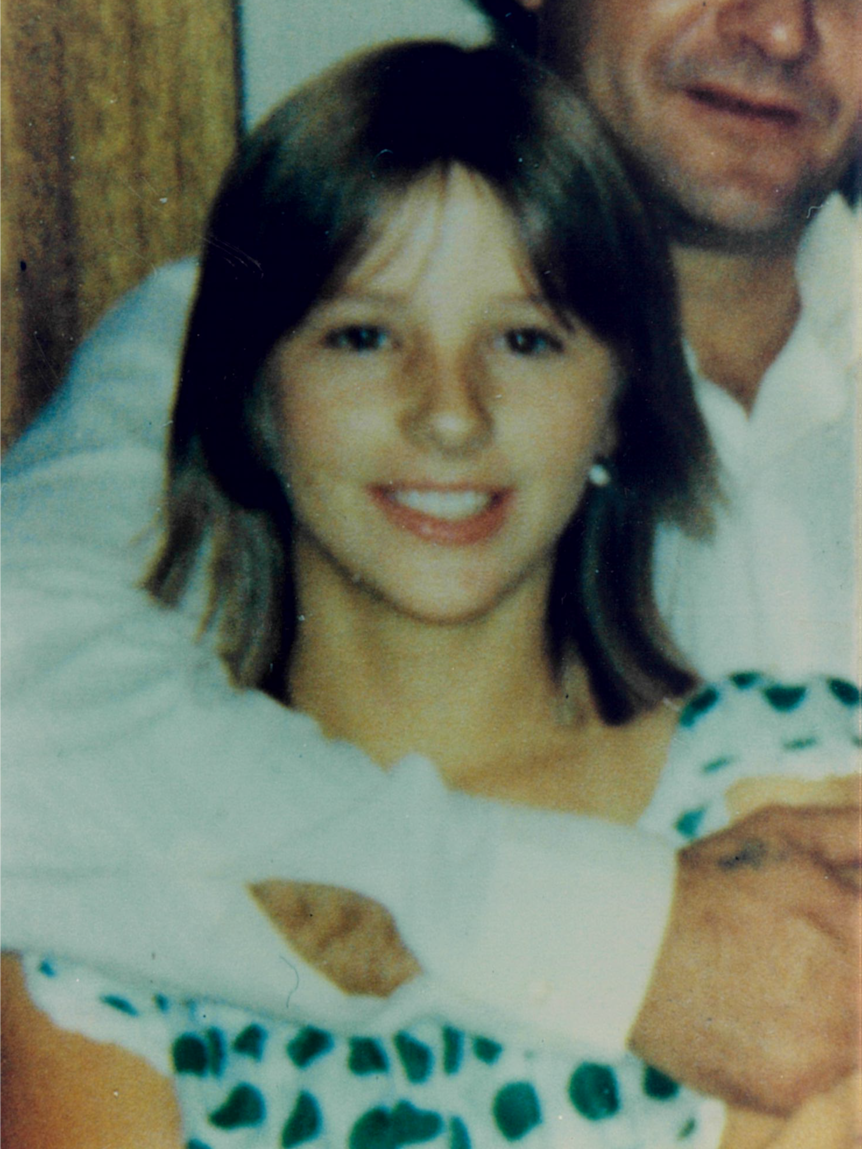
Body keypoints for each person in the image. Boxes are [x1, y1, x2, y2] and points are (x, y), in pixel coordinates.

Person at [0, 0, 858, 1118]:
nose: (781, 31)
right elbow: (22, 729)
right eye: (367, 338)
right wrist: (617, 939)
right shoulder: (249, 329)